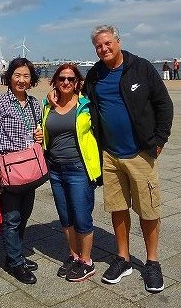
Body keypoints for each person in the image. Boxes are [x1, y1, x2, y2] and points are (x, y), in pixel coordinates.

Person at [83, 25, 173, 293]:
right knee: (117, 208)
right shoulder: (95, 75)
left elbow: (163, 104)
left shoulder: (141, 68)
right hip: (110, 155)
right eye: (99, 46)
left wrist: (159, 140)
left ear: (118, 42)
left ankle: (152, 262)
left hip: (140, 154)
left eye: (108, 43)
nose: (104, 49)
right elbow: (82, 100)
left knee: (149, 209)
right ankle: (123, 258)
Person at [42, 63, 101, 282]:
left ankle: (87, 261)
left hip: (79, 169)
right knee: (65, 217)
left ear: (77, 83)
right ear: (55, 81)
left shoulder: (87, 105)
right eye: (62, 79)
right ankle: (74, 255)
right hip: (55, 169)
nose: (66, 82)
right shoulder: (47, 105)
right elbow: (42, 129)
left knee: (82, 216)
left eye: (70, 79)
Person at [0, 57, 43, 284]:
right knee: (12, 217)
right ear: (9, 77)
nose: (21, 80)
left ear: (31, 80)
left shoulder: (34, 104)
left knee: (25, 213)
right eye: (17, 75)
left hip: (29, 167)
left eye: (26, 76)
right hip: (8, 167)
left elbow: (38, 132)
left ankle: (16, 253)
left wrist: (40, 136)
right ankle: (15, 262)